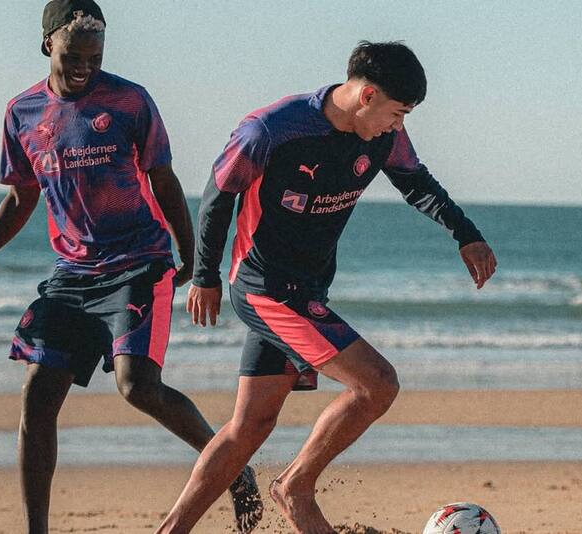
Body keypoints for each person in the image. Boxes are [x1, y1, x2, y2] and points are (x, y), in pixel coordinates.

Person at [0, 1, 262, 532]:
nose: (85, 65)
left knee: (137, 387)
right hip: (71, 275)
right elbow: (21, 200)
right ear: (48, 46)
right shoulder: (23, 113)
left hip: (138, 264)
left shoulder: (130, 101)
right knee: (37, 398)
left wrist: (192, 258)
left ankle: (233, 467)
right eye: (74, 55)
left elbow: (164, 180)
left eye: (96, 55)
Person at [155, 41, 497, 534]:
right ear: (367, 95)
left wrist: (466, 234)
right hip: (265, 288)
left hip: (308, 289)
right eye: (397, 113)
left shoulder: (383, 137)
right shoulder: (271, 130)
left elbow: (417, 182)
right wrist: (204, 276)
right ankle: (295, 486)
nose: (399, 125)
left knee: (250, 426)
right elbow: (218, 196)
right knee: (377, 383)